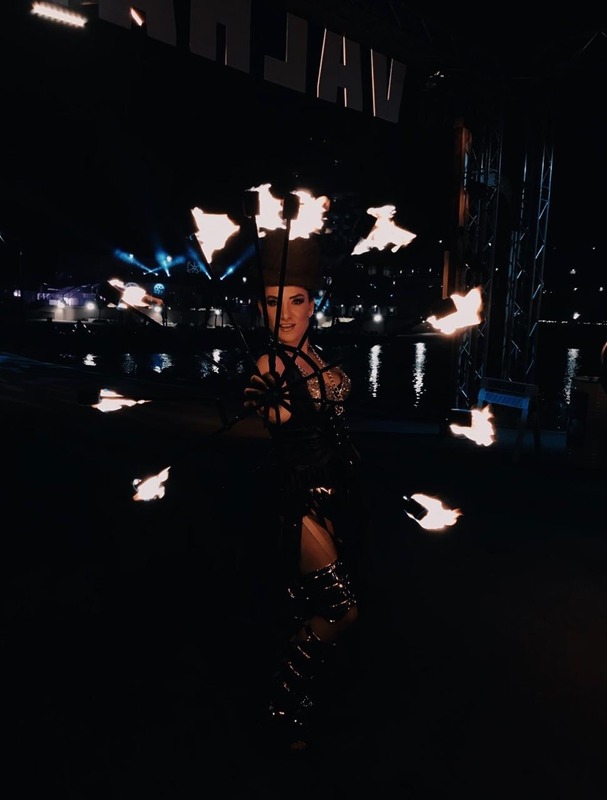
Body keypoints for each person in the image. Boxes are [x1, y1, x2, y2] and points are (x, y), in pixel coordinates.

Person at [243, 229, 369, 752]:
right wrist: (269, 401)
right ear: (261, 309)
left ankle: (299, 703)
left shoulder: (316, 355)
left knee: (302, 604)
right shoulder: (272, 365)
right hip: (292, 499)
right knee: (341, 609)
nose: (285, 314)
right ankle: (282, 704)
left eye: (295, 301)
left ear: (312, 305)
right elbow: (274, 409)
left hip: (330, 494)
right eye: (273, 304)